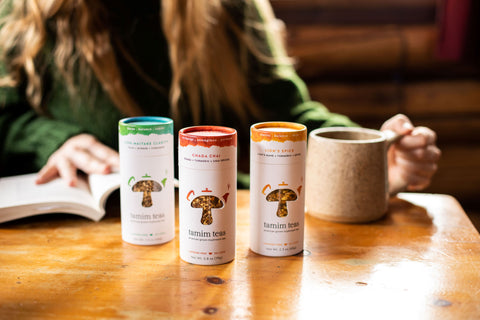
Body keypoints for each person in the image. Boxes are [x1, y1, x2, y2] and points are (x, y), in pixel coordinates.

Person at [0, 0, 440, 192]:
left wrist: (366, 155)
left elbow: (286, 114)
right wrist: (54, 139)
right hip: (69, 233)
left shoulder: (228, 7)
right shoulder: (22, 12)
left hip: (218, 218)